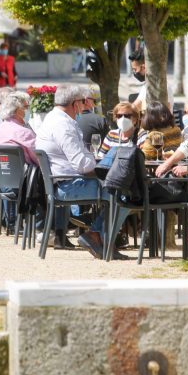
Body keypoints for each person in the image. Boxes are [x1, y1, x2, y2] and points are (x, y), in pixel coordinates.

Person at [35, 84, 123, 257]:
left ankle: (99, 237)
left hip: (63, 182)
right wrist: (101, 164)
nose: (84, 106)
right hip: (68, 185)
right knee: (119, 190)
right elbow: (82, 164)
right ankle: (97, 237)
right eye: (83, 102)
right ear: (75, 104)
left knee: (115, 169)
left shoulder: (52, 119)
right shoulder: (63, 125)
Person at [0, 91, 37, 164]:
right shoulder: (25, 133)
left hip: (1, 174)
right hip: (26, 174)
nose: (28, 110)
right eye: (26, 107)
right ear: (16, 110)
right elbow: (38, 160)